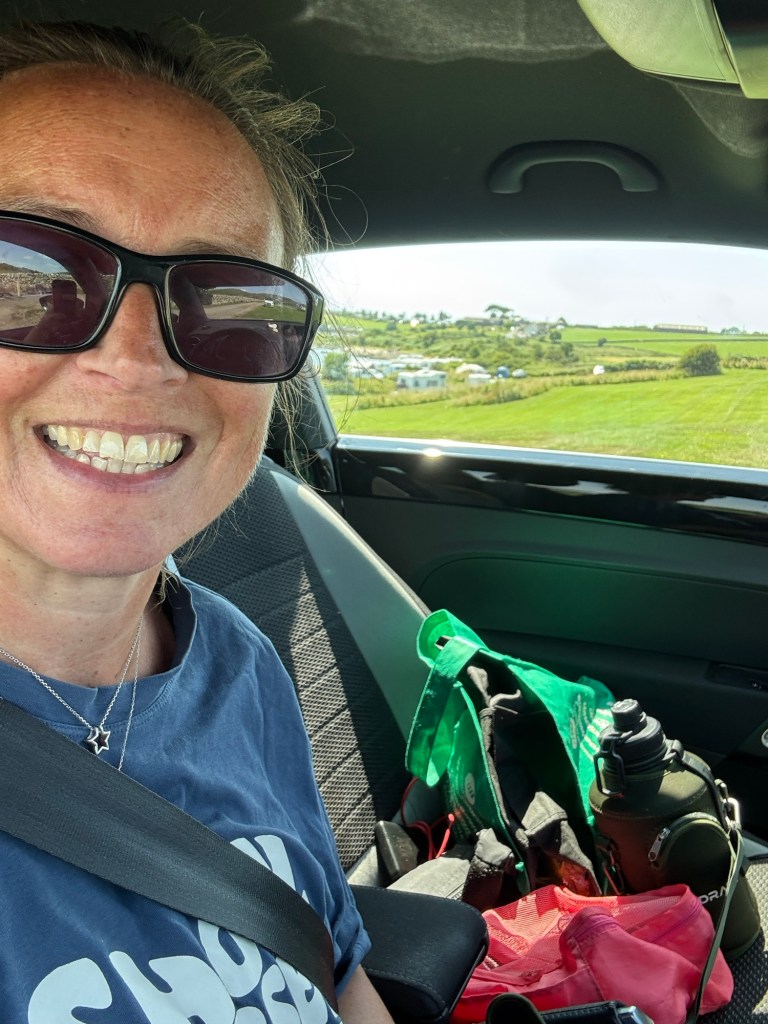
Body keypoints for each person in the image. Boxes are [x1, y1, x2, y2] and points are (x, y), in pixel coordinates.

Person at [0, 18, 394, 1023]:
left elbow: (338, 975)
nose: (138, 360)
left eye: (227, 298)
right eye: (23, 271)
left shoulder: (237, 658)